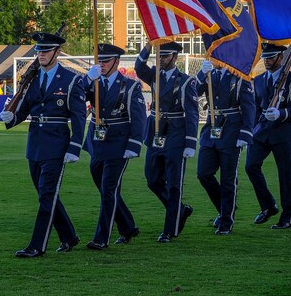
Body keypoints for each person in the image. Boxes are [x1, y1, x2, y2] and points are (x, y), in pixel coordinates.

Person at [0, 32, 86, 258]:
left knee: (47, 194)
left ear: (57, 53)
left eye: (46, 51)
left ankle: (37, 245)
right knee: (45, 195)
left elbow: (78, 116)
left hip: (57, 144)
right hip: (35, 144)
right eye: (38, 51)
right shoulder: (33, 78)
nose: (41, 55)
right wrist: (12, 118)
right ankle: (69, 236)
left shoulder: (71, 80)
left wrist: (75, 146)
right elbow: (26, 108)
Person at [83, 44, 146, 250]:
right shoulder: (93, 82)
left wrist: (134, 145)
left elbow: (138, 118)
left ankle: (102, 238)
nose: (101, 65)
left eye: (106, 61)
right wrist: (87, 80)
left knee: (109, 189)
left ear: (116, 62)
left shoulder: (130, 86)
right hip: (97, 143)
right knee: (105, 189)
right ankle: (128, 226)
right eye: (99, 60)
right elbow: (76, 96)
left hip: (118, 144)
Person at [135, 42, 198, 243]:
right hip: (155, 132)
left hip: (176, 134)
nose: (160, 59)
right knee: (152, 180)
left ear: (175, 58)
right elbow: (138, 67)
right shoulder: (154, 75)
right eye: (158, 56)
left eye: (164, 56)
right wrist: (147, 46)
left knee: (173, 185)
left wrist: (190, 143)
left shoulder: (186, 82)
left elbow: (192, 114)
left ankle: (170, 230)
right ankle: (180, 209)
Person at [245, 43, 291, 230]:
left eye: (271, 57)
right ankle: (268, 206)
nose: (267, 61)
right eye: (265, 58)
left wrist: (280, 114)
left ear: (281, 57)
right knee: (251, 166)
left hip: (284, 132)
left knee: (284, 173)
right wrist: (252, 129)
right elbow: (255, 107)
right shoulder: (260, 79)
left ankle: (288, 216)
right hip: (262, 131)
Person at [195, 60, 255, 235]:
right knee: (203, 173)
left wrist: (246, 133)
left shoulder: (239, 76)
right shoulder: (209, 74)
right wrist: (200, 74)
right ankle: (224, 209)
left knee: (228, 179)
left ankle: (226, 220)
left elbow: (249, 106)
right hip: (211, 130)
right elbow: (193, 92)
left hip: (231, 130)